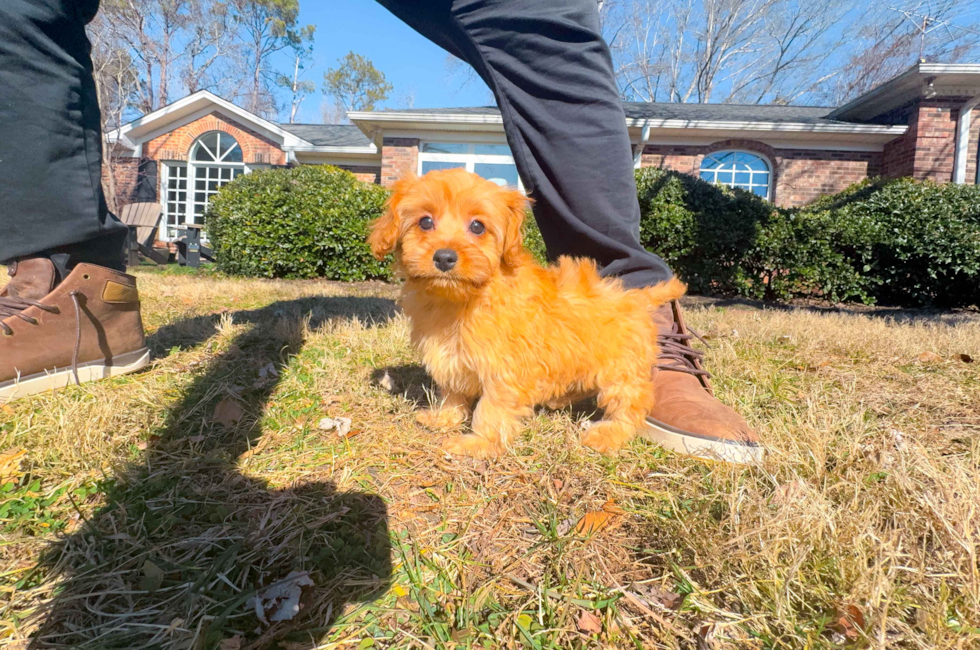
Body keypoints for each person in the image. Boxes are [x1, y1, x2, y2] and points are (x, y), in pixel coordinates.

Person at [0, 0, 759, 461]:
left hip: (561, 311)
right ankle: (59, 275)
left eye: (471, 227)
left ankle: (626, 299)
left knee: (537, 15)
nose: (446, 240)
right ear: (395, 233)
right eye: (424, 223)